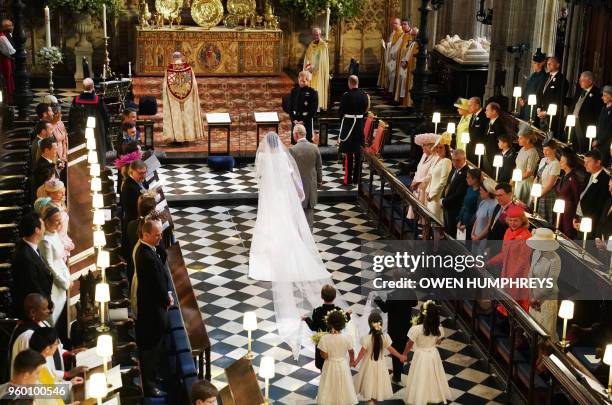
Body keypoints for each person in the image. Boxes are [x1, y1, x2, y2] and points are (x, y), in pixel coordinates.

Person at [249, 133, 342, 358]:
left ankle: (270, 252)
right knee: (285, 225)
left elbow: (259, 175)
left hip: (269, 197)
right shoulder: (283, 156)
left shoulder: (262, 157)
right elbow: (292, 177)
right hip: (281, 195)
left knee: (268, 224)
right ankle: (288, 249)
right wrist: (298, 193)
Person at [135, 217, 172, 397]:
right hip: (152, 313)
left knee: (156, 347)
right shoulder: (146, 255)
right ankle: (149, 385)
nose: (160, 238)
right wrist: (167, 299)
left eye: (161, 234)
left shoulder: (150, 249)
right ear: (146, 234)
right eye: (157, 235)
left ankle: (154, 377)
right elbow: (157, 284)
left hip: (154, 307)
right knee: (151, 348)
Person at [402, 301, 451, 405]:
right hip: (433, 354)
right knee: (432, 376)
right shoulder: (439, 328)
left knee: (420, 377)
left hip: (420, 356)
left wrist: (404, 354)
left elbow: (409, 343)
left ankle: (420, 398)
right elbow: (438, 341)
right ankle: (431, 397)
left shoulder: (416, 329)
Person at [352, 312, 406, 403]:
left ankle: (371, 401)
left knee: (369, 384)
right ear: (381, 324)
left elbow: (361, 354)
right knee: (377, 386)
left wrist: (355, 362)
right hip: (380, 365)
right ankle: (373, 401)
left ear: (370, 324)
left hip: (368, 365)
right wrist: (400, 356)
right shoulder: (385, 337)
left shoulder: (366, 338)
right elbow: (391, 349)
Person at [487, 205, 532, 312]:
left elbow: (522, 262)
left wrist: (509, 280)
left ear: (522, 220)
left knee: (515, 308)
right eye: (510, 220)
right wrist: (488, 262)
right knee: (504, 304)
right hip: (506, 272)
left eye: (515, 220)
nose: (512, 223)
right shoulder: (508, 231)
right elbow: (504, 254)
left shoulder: (527, 236)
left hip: (518, 276)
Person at [11, 214, 53, 318]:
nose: (45, 227)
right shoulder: (25, 256)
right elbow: (33, 285)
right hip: (32, 312)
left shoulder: (31, 248)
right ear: (37, 230)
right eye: (42, 224)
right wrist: (47, 304)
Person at [28, 327, 84, 404]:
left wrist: (70, 383)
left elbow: (51, 386)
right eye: (56, 343)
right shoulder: (38, 370)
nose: (58, 346)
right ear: (47, 349)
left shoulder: (40, 360)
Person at [38, 204, 70, 335]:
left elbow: (61, 260)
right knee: (54, 317)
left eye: (59, 220)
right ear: (46, 221)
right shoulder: (45, 241)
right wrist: (63, 282)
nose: (59, 224)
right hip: (54, 285)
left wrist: (67, 278)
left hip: (62, 278)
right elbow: (49, 267)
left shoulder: (55, 234)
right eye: (56, 221)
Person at [302, 285, 350, 370]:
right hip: (335, 342)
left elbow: (314, 327)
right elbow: (342, 323)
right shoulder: (338, 311)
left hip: (322, 343)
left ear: (321, 296)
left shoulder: (317, 311)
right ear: (335, 296)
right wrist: (348, 315)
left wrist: (307, 319)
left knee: (323, 366)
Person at [316, 309, 357, 405]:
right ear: (343, 324)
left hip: (330, 365)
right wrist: (352, 361)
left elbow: (325, 356)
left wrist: (322, 350)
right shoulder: (347, 337)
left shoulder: (324, 338)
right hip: (343, 364)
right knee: (343, 385)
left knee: (329, 385)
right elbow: (351, 351)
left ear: (329, 323)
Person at [527, 228, 561, 341]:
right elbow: (530, 273)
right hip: (533, 297)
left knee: (544, 335)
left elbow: (550, 283)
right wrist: (531, 295)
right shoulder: (536, 252)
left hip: (546, 300)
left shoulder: (555, 259)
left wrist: (536, 298)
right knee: (532, 331)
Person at [162, 51, 204, 143]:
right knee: (187, 114)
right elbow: (194, 85)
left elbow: (166, 86)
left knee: (175, 114)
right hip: (187, 96)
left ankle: (175, 137)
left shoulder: (169, 70)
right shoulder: (188, 69)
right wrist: (191, 93)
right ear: (182, 58)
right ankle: (189, 135)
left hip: (173, 97)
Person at [68, 78, 109, 165]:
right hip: (96, 129)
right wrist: (105, 129)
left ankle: (82, 167)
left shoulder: (77, 100)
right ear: (93, 87)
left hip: (81, 129)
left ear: (83, 87)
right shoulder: (98, 100)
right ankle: (98, 167)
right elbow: (105, 116)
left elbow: (71, 117)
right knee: (96, 147)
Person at [338, 75, 370, 186]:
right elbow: (366, 111)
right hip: (359, 126)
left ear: (349, 83)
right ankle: (357, 179)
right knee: (358, 153)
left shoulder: (346, 96)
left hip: (348, 127)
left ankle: (348, 179)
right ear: (358, 83)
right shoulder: (364, 96)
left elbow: (341, 112)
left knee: (348, 153)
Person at [289, 124, 322, 229]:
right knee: (309, 211)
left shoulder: (292, 150)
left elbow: (290, 170)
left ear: (296, 135)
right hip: (311, 184)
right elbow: (319, 167)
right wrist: (319, 182)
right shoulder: (314, 148)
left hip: (298, 186)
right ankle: (310, 235)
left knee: (298, 212)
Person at [574, 149, 611, 239]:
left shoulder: (605, 180)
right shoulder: (588, 175)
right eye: (584, 161)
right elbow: (582, 197)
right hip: (580, 219)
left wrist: (585, 223)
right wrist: (576, 217)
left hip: (590, 224)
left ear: (598, 162)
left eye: (588, 162)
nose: (585, 164)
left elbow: (599, 208)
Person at [571, 71, 603, 153]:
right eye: (580, 80)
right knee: (573, 145)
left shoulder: (597, 93)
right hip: (573, 122)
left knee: (583, 148)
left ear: (590, 81)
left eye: (582, 80)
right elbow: (574, 105)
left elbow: (597, 114)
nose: (580, 82)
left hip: (585, 126)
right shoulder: (579, 90)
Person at [408, 134, 438, 221]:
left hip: (424, 188)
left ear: (431, 146)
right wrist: (414, 180)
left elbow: (430, 175)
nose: (422, 147)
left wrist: (418, 183)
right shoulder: (424, 155)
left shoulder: (435, 158)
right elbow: (418, 169)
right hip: (416, 187)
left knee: (423, 214)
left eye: (424, 145)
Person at [555, 148, 584, 239]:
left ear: (568, 162)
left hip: (569, 213)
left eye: (562, 161)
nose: (560, 162)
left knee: (566, 235)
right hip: (560, 209)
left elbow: (577, 198)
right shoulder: (564, 175)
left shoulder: (574, 178)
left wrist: (575, 216)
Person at [537, 56, 569, 138]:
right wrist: (539, 107)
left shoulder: (562, 80)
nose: (548, 65)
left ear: (557, 65)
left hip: (553, 116)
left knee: (549, 138)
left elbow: (558, 100)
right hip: (540, 113)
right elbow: (540, 92)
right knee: (540, 137)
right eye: (547, 63)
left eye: (551, 63)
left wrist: (546, 111)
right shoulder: (545, 76)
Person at [43, 180, 74, 259]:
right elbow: (52, 231)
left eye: (63, 191)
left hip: (63, 240)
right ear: (51, 194)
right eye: (60, 193)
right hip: (57, 244)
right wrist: (64, 245)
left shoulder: (60, 203)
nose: (63, 194)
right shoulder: (51, 209)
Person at [426, 134, 452, 224]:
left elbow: (443, 182)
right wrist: (427, 191)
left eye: (440, 147)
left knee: (436, 223)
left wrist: (432, 194)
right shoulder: (438, 159)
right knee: (430, 221)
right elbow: (431, 177)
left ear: (446, 149)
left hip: (436, 196)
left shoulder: (447, 161)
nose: (438, 150)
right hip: (430, 195)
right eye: (437, 147)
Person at [441, 149, 468, 238]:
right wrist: (442, 198)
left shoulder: (466, 173)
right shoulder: (454, 170)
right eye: (453, 160)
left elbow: (459, 194)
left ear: (464, 159)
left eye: (458, 160)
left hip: (455, 209)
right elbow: (447, 185)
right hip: (447, 206)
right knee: (447, 231)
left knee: (452, 233)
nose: (455, 163)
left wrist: (444, 201)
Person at [286, 70, 318, 143]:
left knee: (307, 142)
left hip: (306, 121)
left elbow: (313, 110)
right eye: (300, 81)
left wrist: (303, 121)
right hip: (296, 121)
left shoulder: (312, 92)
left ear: (308, 80)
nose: (301, 83)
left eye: (303, 81)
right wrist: (293, 119)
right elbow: (290, 107)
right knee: (295, 143)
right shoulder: (294, 91)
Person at [304, 27, 330, 111]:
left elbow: (323, 60)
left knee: (318, 89)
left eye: (318, 34)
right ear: (313, 35)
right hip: (311, 72)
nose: (317, 36)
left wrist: (314, 67)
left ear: (320, 34)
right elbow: (307, 57)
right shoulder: (311, 45)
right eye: (315, 35)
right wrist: (308, 67)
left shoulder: (323, 46)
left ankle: (318, 106)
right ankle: (311, 106)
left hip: (319, 72)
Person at [487, 183, 517, 255]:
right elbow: (492, 227)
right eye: (496, 195)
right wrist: (488, 246)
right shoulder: (498, 206)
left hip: (501, 250)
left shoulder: (514, 211)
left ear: (510, 194)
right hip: (491, 246)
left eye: (500, 195)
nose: (497, 198)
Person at [518, 48, 548, 121]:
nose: (533, 65)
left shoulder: (543, 76)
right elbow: (527, 88)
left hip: (533, 106)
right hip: (525, 104)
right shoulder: (533, 75)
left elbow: (537, 92)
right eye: (533, 62)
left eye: (535, 63)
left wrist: (525, 100)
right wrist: (521, 98)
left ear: (541, 64)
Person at [535, 139, 561, 223]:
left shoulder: (556, 164)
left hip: (547, 194)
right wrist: (533, 192)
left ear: (553, 150)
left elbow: (549, 185)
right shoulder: (543, 160)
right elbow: (537, 176)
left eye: (547, 150)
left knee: (543, 219)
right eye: (543, 149)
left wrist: (538, 195)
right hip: (538, 191)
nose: (544, 152)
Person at [513, 130, 539, 205]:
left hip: (525, 184)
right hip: (518, 181)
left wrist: (515, 179)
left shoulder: (533, 152)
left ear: (527, 140)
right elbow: (517, 166)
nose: (518, 140)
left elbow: (529, 172)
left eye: (520, 138)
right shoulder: (522, 149)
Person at [377, 17, 403, 92]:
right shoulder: (394, 32)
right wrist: (386, 45)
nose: (394, 25)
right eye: (393, 23)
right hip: (391, 58)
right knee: (390, 75)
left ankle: (392, 92)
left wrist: (386, 45)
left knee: (393, 76)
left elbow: (395, 46)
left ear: (399, 24)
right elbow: (391, 44)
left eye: (396, 23)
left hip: (396, 58)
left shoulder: (401, 33)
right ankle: (389, 91)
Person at [396, 26, 419, 106]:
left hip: (412, 68)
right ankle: (404, 101)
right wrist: (404, 61)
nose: (413, 36)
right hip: (406, 67)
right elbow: (408, 54)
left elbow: (414, 57)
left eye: (415, 34)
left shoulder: (417, 45)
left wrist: (406, 62)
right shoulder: (412, 43)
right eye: (412, 34)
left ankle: (409, 103)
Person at [471, 183, 497, 255]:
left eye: (481, 190)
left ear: (487, 192)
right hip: (475, 236)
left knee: (479, 261)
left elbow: (489, 225)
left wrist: (479, 238)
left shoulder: (493, 205)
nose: (479, 192)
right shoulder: (483, 202)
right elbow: (477, 219)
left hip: (483, 239)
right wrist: (472, 233)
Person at [456, 168, 481, 240]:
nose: (466, 179)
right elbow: (464, 205)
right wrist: (460, 220)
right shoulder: (469, 188)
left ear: (475, 179)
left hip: (471, 223)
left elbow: (477, 212)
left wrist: (467, 226)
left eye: (468, 177)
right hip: (463, 219)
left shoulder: (479, 193)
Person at [389, 19, 411, 98]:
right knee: (398, 78)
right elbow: (397, 47)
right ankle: (398, 97)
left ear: (409, 25)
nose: (403, 26)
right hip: (399, 60)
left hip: (405, 61)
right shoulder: (403, 35)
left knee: (403, 80)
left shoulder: (411, 35)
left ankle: (402, 98)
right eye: (402, 24)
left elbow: (409, 49)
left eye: (405, 24)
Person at [483, 102, 506, 176]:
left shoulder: (499, 124)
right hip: (487, 154)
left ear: (494, 111)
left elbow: (501, 141)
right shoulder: (488, 123)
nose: (485, 112)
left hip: (495, 156)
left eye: (487, 110)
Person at [468, 97, 489, 164]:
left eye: (470, 105)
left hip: (479, 148)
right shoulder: (473, 115)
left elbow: (485, 132)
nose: (469, 107)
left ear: (477, 106)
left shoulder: (484, 116)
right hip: (471, 146)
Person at [595, 85, 612, 165]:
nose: (602, 97)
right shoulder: (603, 108)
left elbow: (609, 129)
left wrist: (599, 141)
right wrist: (596, 138)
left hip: (606, 143)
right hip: (599, 142)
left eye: (605, 95)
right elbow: (599, 125)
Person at [50, 104, 68, 170]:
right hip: (54, 158)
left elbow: (65, 141)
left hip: (63, 156)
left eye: (60, 112)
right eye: (57, 113)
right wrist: (58, 160)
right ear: (52, 115)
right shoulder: (48, 127)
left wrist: (64, 156)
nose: (60, 115)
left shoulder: (61, 123)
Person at [0, 21, 15, 104]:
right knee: (7, 78)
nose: (10, 27)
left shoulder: (8, 35)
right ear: (3, 27)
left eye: (11, 25)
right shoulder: (2, 37)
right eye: (8, 26)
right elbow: (10, 51)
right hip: (5, 60)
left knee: (10, 78)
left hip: (8, 59)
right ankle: (9, 99)